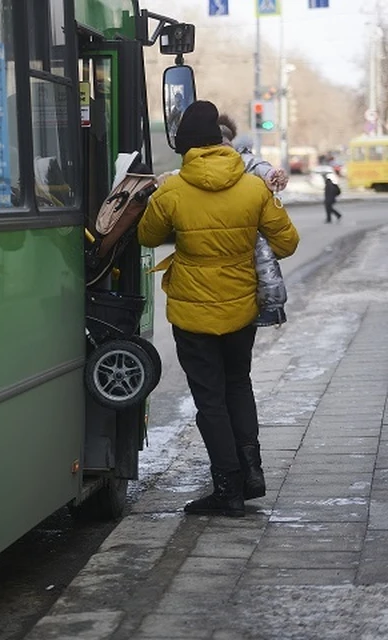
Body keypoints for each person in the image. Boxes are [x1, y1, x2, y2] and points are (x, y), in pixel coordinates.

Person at [138, 101, 300, 517]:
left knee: (210, 399)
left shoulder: (172, 190)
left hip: (193, 314)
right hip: (241, 308)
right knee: (238, 385)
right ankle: (252, 475)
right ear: (221, 140)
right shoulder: (252, 188)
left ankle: (226, 488)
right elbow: (287, 243)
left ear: (186, 147)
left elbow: (147, 236)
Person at [219, 114, 290, 327]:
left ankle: (273, 306)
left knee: (262, 253)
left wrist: (271, 174)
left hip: (244, 221)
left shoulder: (245, 160)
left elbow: (261, 167)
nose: (222, 147)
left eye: (226, 142)